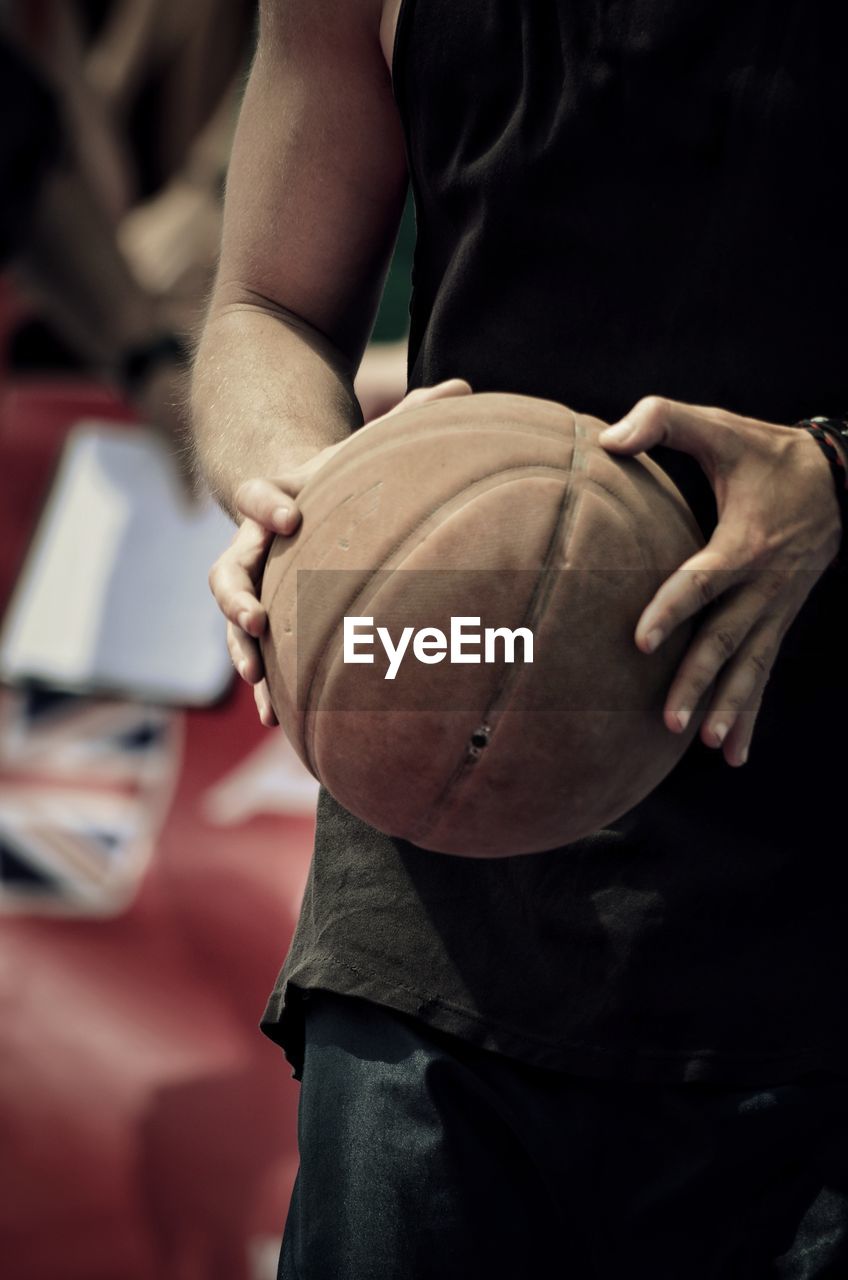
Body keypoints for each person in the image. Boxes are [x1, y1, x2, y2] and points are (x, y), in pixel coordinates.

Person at [192, 1, 848, 1274]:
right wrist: (306, 503)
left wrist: (833, 475)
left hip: (809, 923)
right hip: (435, 886)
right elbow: (265, 303)